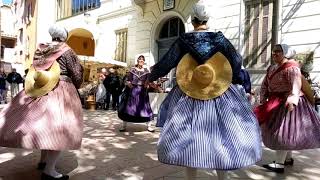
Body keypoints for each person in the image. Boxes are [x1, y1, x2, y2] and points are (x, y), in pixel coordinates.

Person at [147, 2, 261, 180]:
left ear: (192, 20)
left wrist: (150, 76)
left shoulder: (184, 40)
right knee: (223, 137)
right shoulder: (220, 39)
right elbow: (236, 61)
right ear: (207, 19)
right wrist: (236, 79)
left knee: (188, 138)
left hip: (189, 92)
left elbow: (166, 63)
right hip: (220, 90)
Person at [0, 24, 83, 180]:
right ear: (64, 37)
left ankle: (43, 161)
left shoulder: (40, 50)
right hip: (61, 90)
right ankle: (49, 171)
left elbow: (35, 69)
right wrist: (77, 84)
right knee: (60, 130)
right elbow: (77, 74)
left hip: (39, 88)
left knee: (46, 127)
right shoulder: (67, 50)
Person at [256, 44, 320, 173]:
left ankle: (279, 164)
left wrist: (292, 100)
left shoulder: (292, 68)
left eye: (278, 52)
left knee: (282, 132)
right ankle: (288, 159)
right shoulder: (272, 68)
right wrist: (263, 97)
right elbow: (265, 83)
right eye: (273, 52)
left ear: (285, 53)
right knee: (286, 133)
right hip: (276, 102)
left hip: (289, 104)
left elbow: (296, 85)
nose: (274, 54)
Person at [118, 55, 154, 132]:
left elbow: (148, 81)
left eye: (142, 60)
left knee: (145, 109)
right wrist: (128, 83)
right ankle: (124, 126)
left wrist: (148, 84)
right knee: (128, 109)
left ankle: (149, 126)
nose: (141, 61)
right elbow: (127, 79)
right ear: (137, 61)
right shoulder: (132, 70)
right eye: (140, 59)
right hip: (133, 91)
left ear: (144, 62)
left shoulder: (146, 71)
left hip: (142, 92)